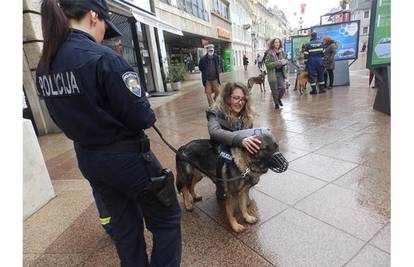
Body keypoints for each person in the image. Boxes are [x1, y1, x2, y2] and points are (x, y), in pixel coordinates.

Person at [36, 1, 181, 266]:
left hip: (88, 158)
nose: (105, 32)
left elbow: (57, 117)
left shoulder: (45, 63)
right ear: (93, 15)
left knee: (126, 230)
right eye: (104, 24)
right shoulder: (103, 57)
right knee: (167, 219)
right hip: (126, 160)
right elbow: (142, 117)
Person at [206, 82, 262, 200]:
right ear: (227, 98)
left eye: (243, 99)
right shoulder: (215, 111)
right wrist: (239, 140)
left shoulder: (246, 114)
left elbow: (250, 133)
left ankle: (245, 185)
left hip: (240, 149)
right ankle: (220, 186)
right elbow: (214, 132)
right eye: (236, 98)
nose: (240, 102)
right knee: (224, 163)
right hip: (220, 147)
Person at [264, 38, 288, 109]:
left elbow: (286, 60)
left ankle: (278, 99)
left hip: (281, 73)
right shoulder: (269, 53)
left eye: (278, 42)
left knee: (283, 88)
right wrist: (277, 62)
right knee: (274, 90)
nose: (277, 44)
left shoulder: (282, 52)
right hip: (273, 74)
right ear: (273, 44)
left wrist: (285, 62)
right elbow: (267, 64)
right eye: (276, 42)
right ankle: (276, 104)